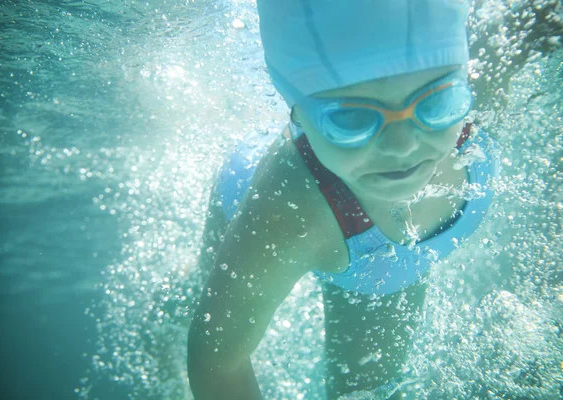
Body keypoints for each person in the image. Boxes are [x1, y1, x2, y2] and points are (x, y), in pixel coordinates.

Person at [186, 1, 562, 399]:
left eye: (435, 103)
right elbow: (216, 362)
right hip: (293, 205)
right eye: (350, 119)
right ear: (297, 114)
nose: (403, 147)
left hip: (379, 261)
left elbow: (534, 15)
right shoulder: (288, 213)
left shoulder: (482, 93)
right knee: (196, 311)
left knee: (370, 391)